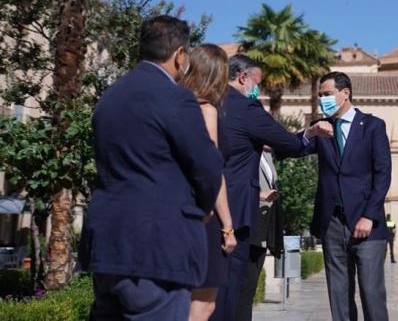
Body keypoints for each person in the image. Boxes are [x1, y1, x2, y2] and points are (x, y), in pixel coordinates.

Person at [79, 16, 224, 319]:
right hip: (157, 248)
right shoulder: (175, 97)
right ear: (180, 55)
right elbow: (207, 165)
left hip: (107, 245)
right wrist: (203, 206)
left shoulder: (110, 97)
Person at [212, 55, 305, 321]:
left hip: (207, 212)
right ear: (243, 77)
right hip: (237, 218)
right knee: (231, 291)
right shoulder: (246, 108)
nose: (258, 89)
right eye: (257, 82)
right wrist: (309, 137)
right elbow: (291, 143)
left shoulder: (210, 104)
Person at [300, 71, 392, 321]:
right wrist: (310, 133)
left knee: (371, 292)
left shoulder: (373, 126)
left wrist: (369, 216)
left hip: (367, 224)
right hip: (332, 222)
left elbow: (383, 174)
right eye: (320, 95)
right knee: (338, 295)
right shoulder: (321, 128)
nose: (322, 100)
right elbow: (293, 147)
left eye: (327, 94)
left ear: (345, 93)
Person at [181, 44, 238, 321]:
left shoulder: (179, 106)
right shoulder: (207, 110)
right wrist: (228, 226)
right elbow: (212, 170)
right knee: (203, 306)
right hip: (204, 216)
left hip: (178, 212)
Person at [235, 146, 282, 321]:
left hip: (263, 231)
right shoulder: (242, 151)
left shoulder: (266, 155)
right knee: (242, 291)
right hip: (245, 228)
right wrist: (257, 195)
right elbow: (232, 182)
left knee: (249, 289)